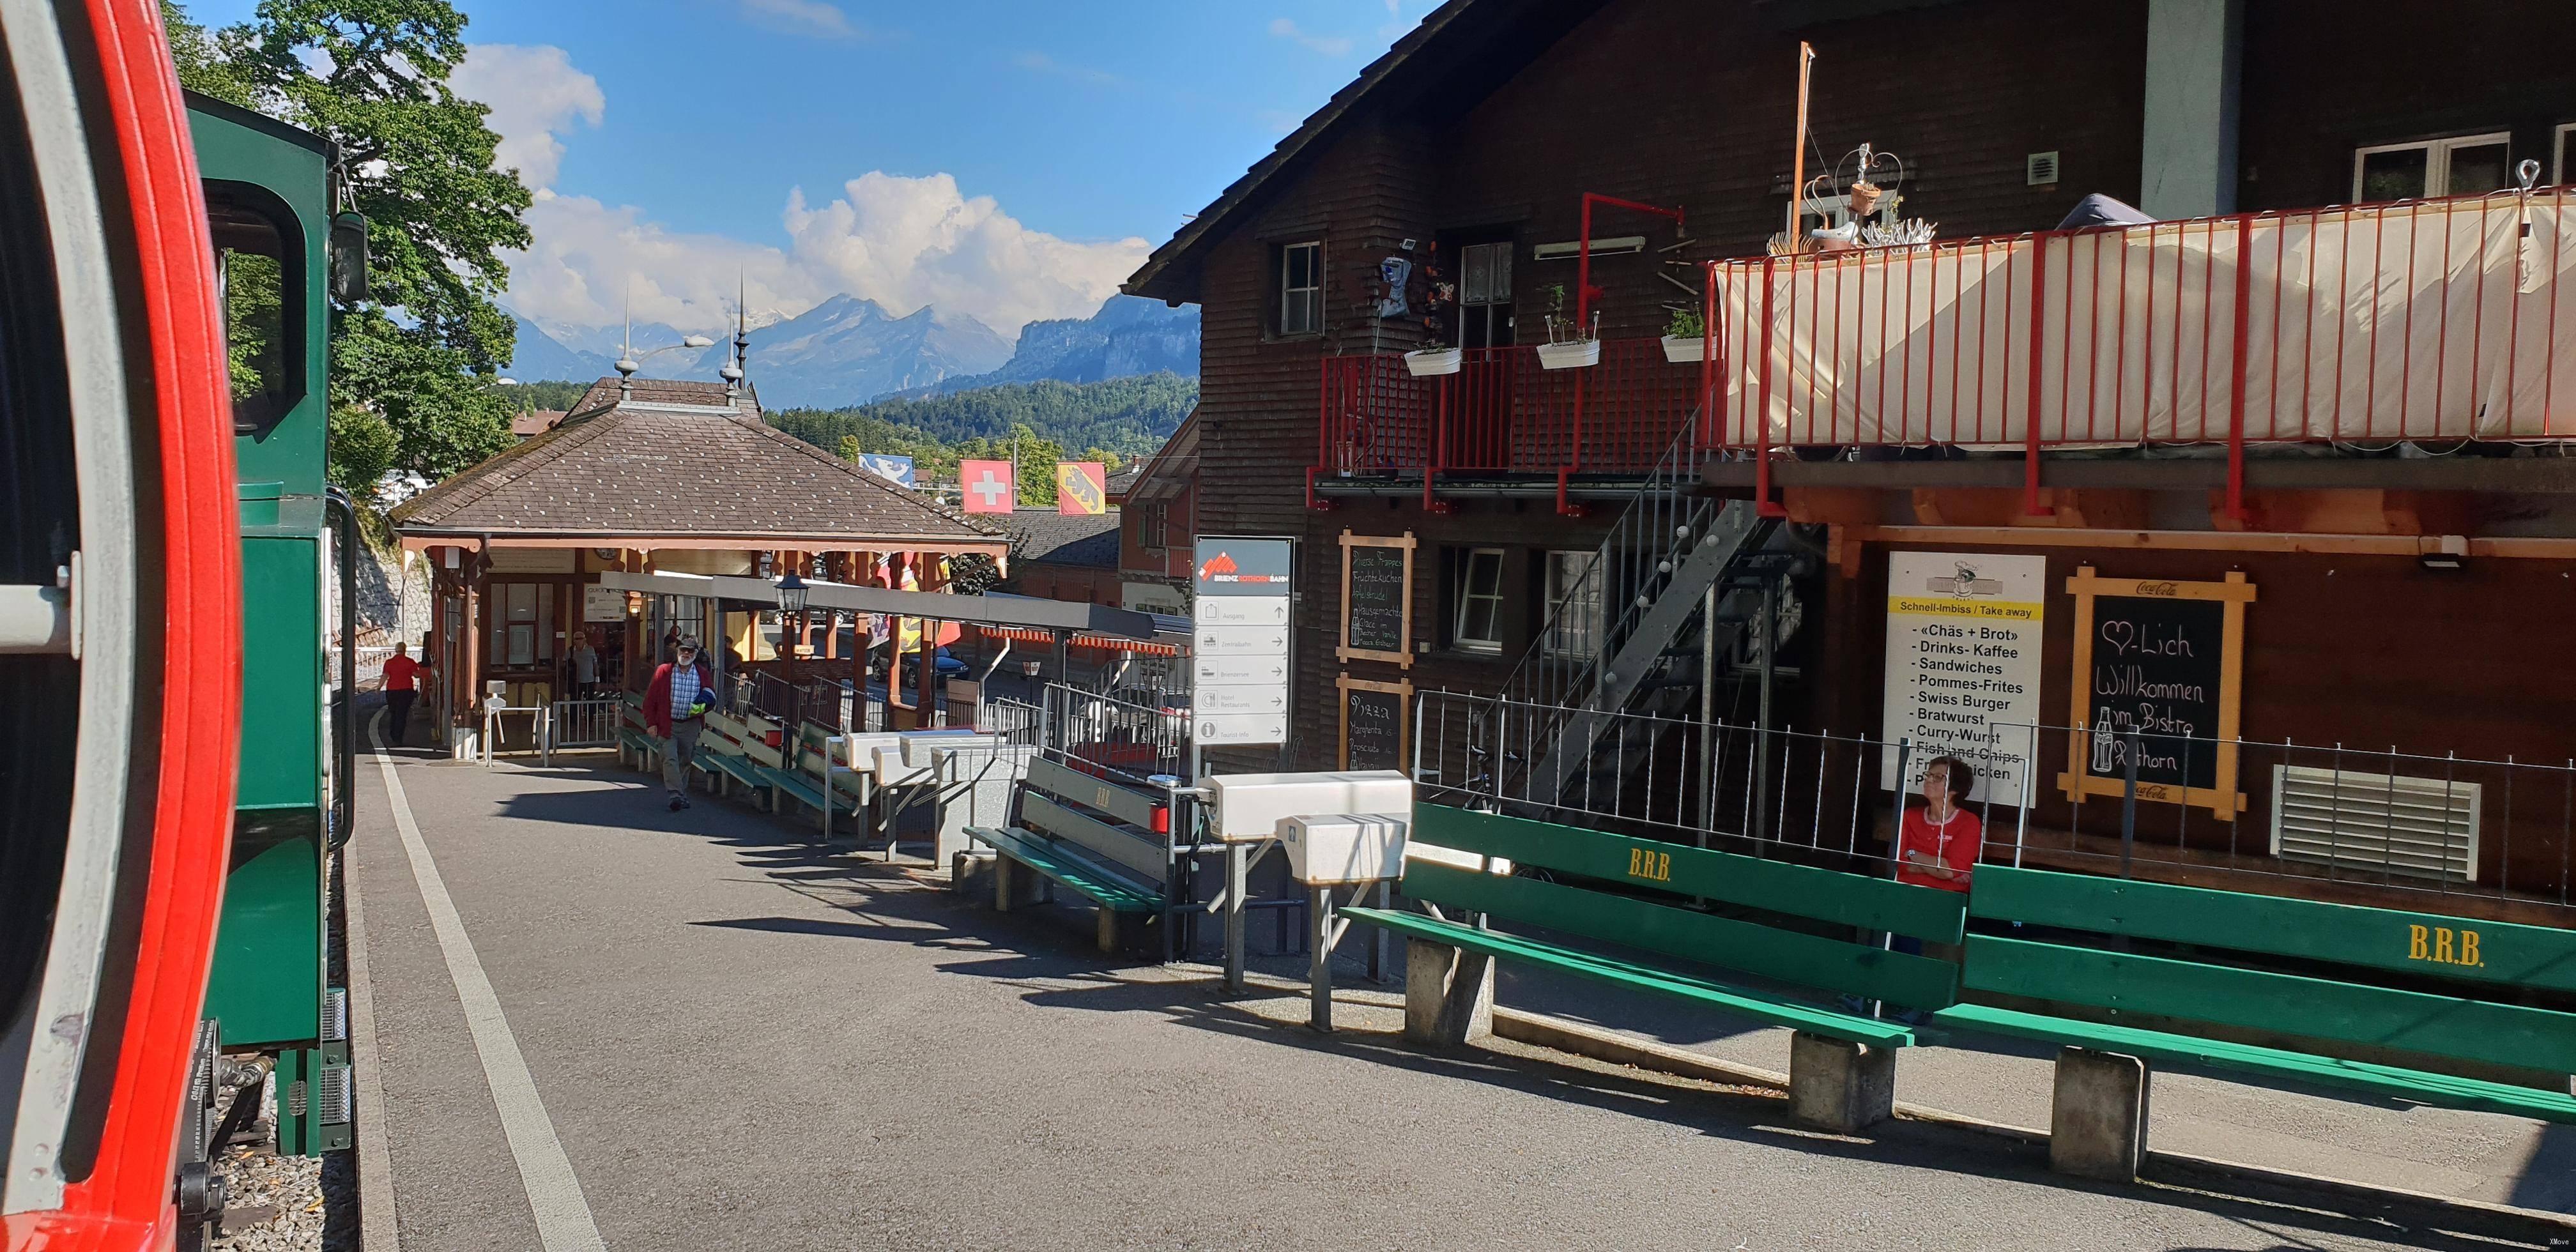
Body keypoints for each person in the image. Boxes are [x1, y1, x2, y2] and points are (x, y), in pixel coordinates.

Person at [645, 636, 716, 811]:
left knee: (685, 760)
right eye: (682, 650)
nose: (685, 653)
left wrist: (703, 707)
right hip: (667, 724)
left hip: (690, 725)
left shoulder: (702, 674)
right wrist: (651, 724)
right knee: (669, 758)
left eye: (689, 651)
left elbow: (711, 697)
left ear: (695, 653)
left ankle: (681, 795)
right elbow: (650, 701)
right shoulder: (664, 671)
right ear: (677, 651)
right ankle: (675, 794)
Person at [1896, 754, 1982, 897]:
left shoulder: (1968, 822)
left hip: (1946, 898)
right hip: (1905, 891)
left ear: (1954, 789)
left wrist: (1912, 854)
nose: (1928, 780)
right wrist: (1941, 870)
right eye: (1928, 775)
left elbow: (1949, 870)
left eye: (1937, 777)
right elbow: (1898, 863)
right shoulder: (1909, 816)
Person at [381, 641, 424, 746]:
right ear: (405, 650)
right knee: (402, 714)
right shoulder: (410, 662)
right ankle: (399, 738)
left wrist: (378, 687)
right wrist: (422, 671)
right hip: (406, 691)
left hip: (392, 691)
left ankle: (393, 734)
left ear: (396, 650)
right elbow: (416, 675)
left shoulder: (389, 662)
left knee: (393, 713)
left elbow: (385, 676)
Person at [567, 630, 599, 698]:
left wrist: (597, 679)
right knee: (574, 701)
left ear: (585, 640)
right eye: (577, 639)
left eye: (581, 638)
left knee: (590, 701)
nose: (579, 641)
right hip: (576, 681)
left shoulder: (591, 650)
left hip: (589, 680)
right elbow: (564, 663)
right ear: (574, 640)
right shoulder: (571, 651)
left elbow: (595, 664)